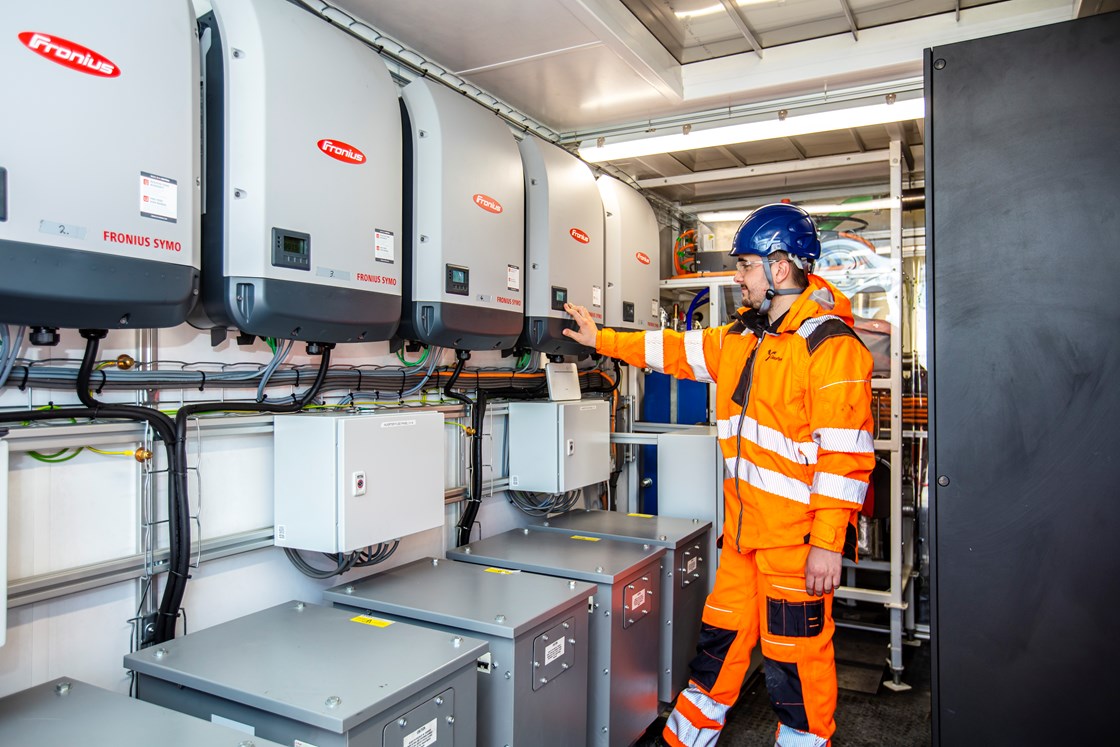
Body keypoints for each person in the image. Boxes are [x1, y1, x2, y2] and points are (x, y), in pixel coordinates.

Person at [563, 203, 874, 747]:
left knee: (794, 667)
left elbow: (845, 456)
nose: (738, 276)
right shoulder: (740, 339)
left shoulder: (831, 347)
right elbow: (670, 349)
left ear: (780, 268)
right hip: (744, 540)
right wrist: (600, 340)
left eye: (747, 264)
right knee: (719, 646)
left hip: (795, 547)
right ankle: (684, 740)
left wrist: (828, 544)